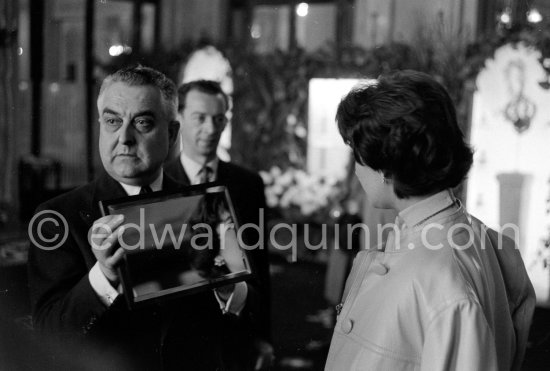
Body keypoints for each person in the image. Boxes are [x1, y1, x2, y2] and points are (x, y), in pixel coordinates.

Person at [27, 66, 260, 370]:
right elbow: (48, 336)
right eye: (112, 121)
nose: (124, 138)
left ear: (172, 133)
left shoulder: (206, 207)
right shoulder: (57, 218)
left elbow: (250, 316)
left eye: (142, 123)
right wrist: (105, 277)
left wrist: (228, 284)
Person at [325, 70, 536, 371]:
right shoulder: (461, 235)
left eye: (358, 156)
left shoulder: (445, 283)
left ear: (385, 166)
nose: (357, 171)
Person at [164, 79, 273, 367]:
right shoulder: (160, 184)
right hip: (176, 340)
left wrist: (264, 338)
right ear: (179, 120)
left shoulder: (248, 184)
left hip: (233, 334)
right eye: (200, 118)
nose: (211, 129)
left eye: (218, 119)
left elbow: (259, 265)